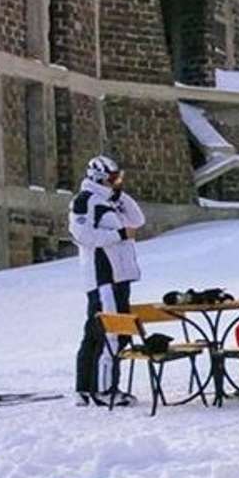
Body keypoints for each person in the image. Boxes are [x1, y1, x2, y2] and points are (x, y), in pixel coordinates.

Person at [70, 154, 144, 407]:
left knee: (99, 330)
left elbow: (138, 220)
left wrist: (120, 195)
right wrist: (119, 234)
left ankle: (86, 387)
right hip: (103, 277)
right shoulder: (85, 201)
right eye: (114, 178)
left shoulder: (110, 201)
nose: (118, 181)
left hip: (120, 276)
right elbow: (83, 235)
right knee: (110, 332)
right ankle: (104, 389)